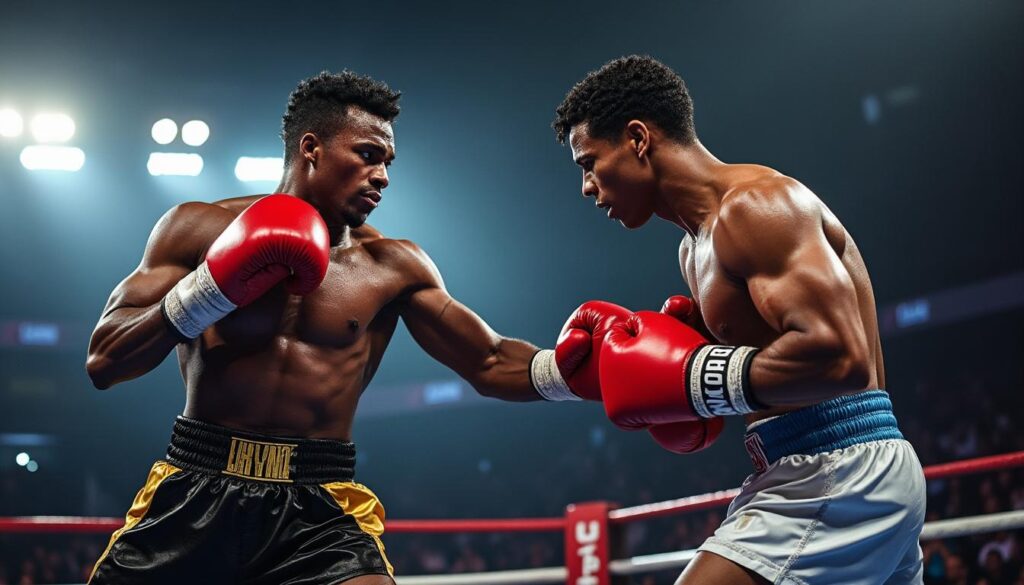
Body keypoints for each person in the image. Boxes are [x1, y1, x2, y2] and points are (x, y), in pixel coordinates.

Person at [84, 70, 625, 584]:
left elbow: (488, 360)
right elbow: (105, 360)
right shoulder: (198, 228)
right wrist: (210, 289)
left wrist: (578, 371)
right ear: (311, 149)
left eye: (387, 161)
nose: (383, 176)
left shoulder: (393, 265)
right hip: (195, 486)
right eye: (368, 155)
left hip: (317, 507)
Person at [537, 55, 926, 584]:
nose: (587, 186)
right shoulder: (691, 249)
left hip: (838, 467)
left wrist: (696, 380)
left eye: (589, 162)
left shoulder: (756, 206)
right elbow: (761, 367)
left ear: (638, 138)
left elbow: (842, 358)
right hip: (805, 465)